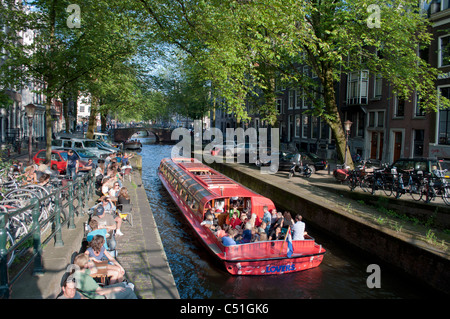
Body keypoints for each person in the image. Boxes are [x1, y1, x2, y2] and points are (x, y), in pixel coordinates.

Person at [71, 253, 137, 299]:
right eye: (88, 261)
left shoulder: (77, 273)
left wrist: (91, 260)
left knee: (122, 284)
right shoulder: (86, 279)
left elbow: (94, 270)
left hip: (94, 293)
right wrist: (114, 289)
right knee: (129, 291)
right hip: (102, 296)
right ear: (85, 265)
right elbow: (100, 292)